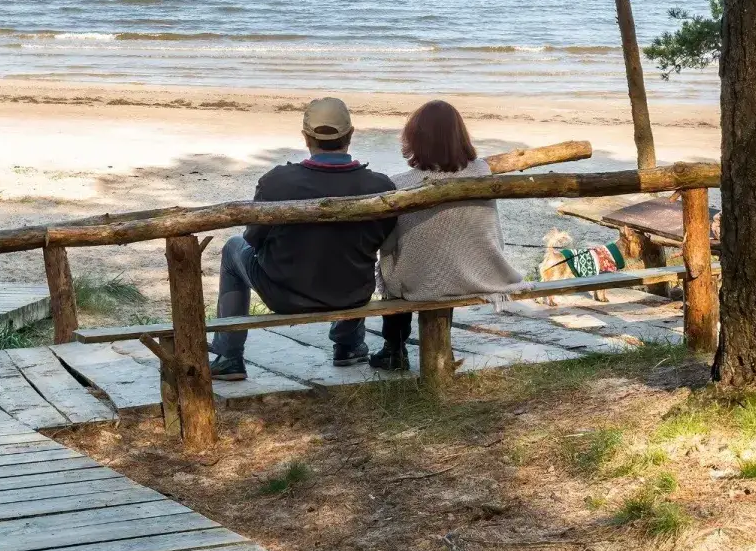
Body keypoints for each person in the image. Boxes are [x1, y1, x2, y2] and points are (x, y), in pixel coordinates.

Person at [209, 97, 395, 382]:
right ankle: (348, 345)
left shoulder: (278, 182)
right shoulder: (379, 186)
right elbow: (382, 238)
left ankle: (229, 355)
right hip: (352, 294)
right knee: (352, 255)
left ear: (306, 137)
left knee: (234, 247)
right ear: (351, 134)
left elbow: (254, 238)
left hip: (285, 295)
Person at [370, 100, 523, 371]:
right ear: (460, 136)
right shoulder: (481, 171)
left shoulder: (400, 184)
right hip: (475, 270)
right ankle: (424, 348)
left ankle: (393, 348)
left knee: (396, 263)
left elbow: (389, 242)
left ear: (415, 139)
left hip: (425, 278)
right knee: (443, 255)